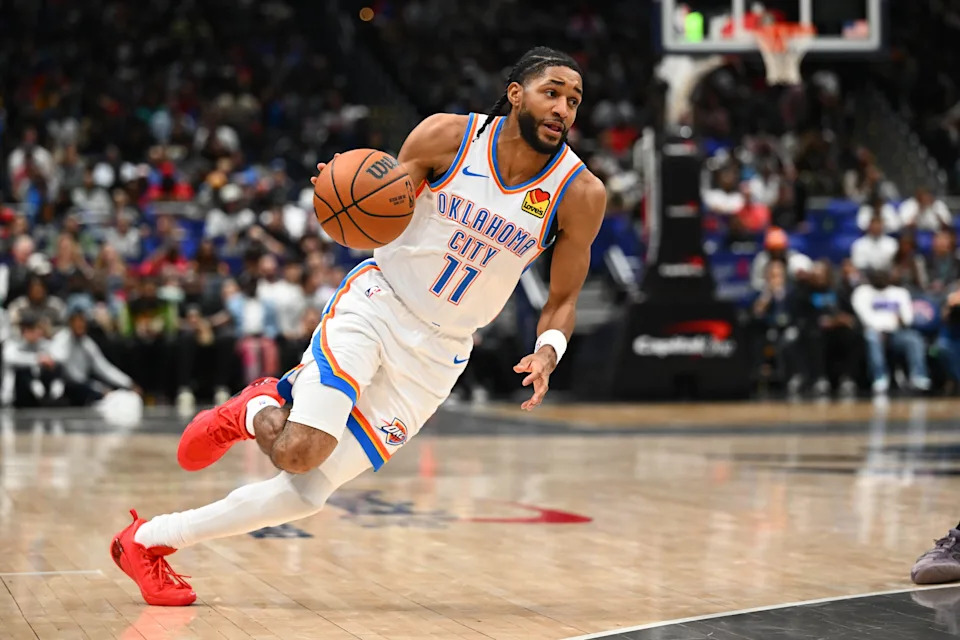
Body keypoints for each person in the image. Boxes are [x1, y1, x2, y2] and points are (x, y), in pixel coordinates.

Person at [109, 46, 607, 606]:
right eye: (552, 92)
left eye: (574, 99)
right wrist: (340, 190)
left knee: (304, 492)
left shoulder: (580, 193)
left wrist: (548, 350)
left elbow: (563, 297)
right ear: (516, 93)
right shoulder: (449, 137)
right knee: (303, 449)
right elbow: (380, 196)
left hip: (440, 354)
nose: (564, 106)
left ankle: (145, 542)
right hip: (378, 304)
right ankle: (253, 408)